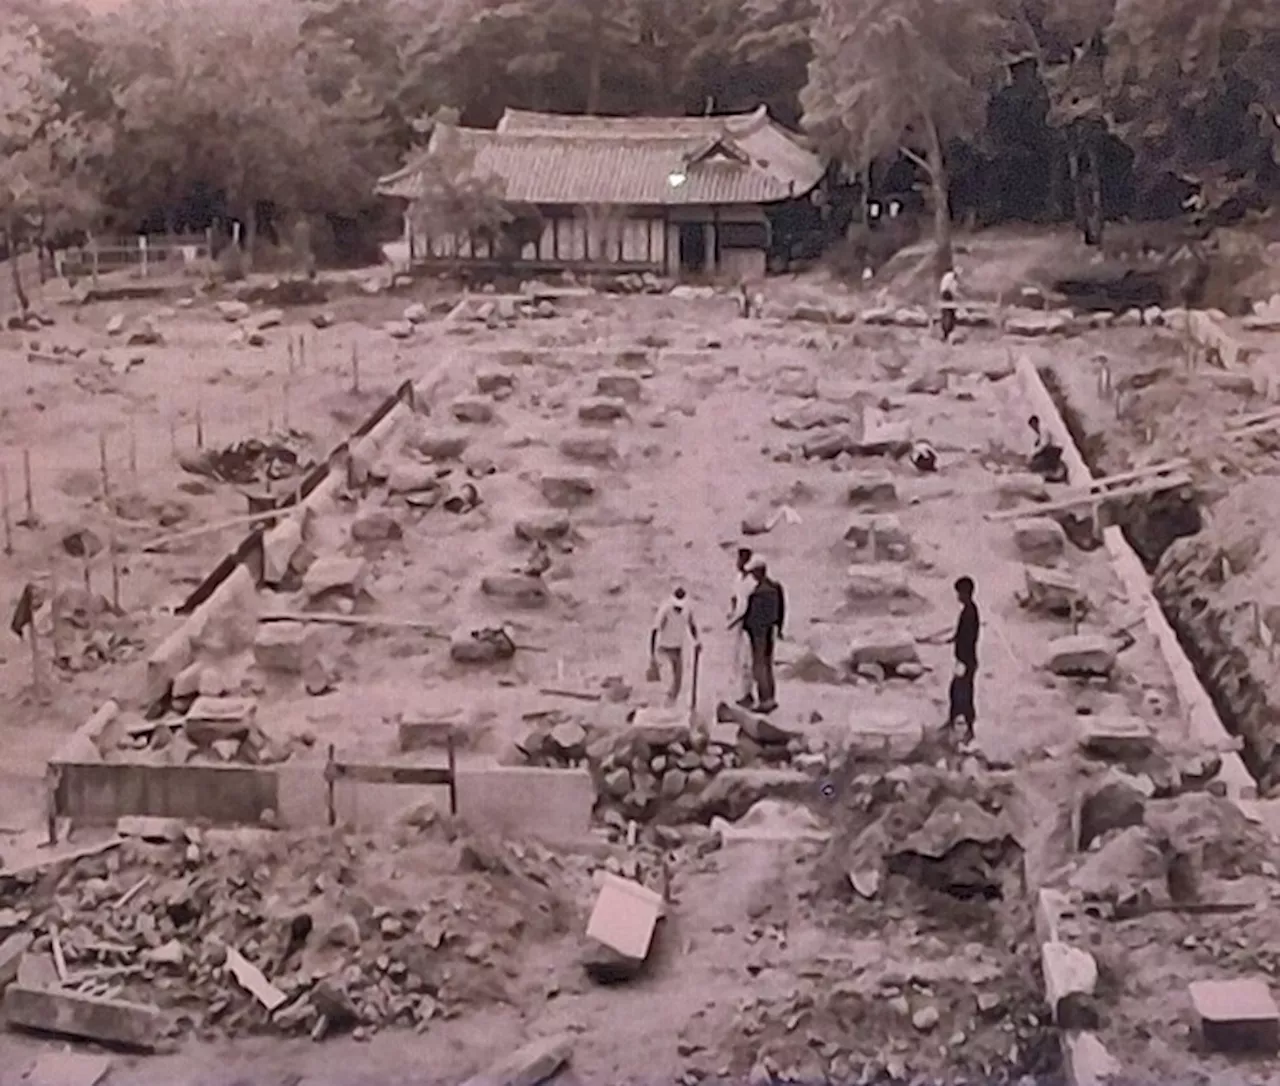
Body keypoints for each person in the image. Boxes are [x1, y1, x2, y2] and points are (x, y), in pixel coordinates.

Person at [739, 557, 786, 713]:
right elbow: (782, 609)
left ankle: (764, 700)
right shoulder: (776, 587)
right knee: (768, 665)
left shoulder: (757, 593)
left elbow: (750, 617)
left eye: (753, 572)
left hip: (758, 633)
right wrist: (779, 628)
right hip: (771, 630)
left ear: (759, 572)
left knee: (759, 667)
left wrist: (744, 628)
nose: (752, 575)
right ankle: (771, 698)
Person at [649, 586, 700, 706]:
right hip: (664, 649)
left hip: (678, 649)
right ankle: (663, 708)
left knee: (678, 683)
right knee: (667, 681)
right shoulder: (665, 609)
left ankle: (671, 707)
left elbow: (692, 625)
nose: (678, 609)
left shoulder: (687, 609)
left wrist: (696, 641)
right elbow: (655, 630)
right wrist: (652, 654)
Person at [946, 576, 981, 744]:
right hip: (965, 659)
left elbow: (969, 638)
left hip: (965, 660)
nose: (957, 596)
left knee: (962, 693)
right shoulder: (969, 610)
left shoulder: (969, 612)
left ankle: (967, 727)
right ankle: (955, 721)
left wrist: (963, 661)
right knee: (958, 691)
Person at [727, 547, 755, 706]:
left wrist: (733, 621)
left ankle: (749, 694)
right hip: (738, 622)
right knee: (738, 659)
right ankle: (743, 692)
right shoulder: (738, 579)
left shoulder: (751, 582)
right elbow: (734, 598)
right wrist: (731, 612)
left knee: (747, 661)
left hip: (747, 624)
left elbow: (747, 606)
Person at [1028, 415, 1068, 483]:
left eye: (1033, 425)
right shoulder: (1038, 432)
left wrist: (1036, 453)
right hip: (1051, 448)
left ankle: (1056, 473)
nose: (1033, 428)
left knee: (1044, 459)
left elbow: (1044, 443)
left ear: (1036, 422)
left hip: (1056, 447)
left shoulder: (1043, 428)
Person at [938, 265, 959, 343]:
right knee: (948, 315)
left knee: (950, 315)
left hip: (948, 295)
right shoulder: (950, 276)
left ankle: (947, 335)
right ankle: (946, 334)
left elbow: (954, 290)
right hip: (946, 294)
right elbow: (949, 288)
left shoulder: (954, 279)